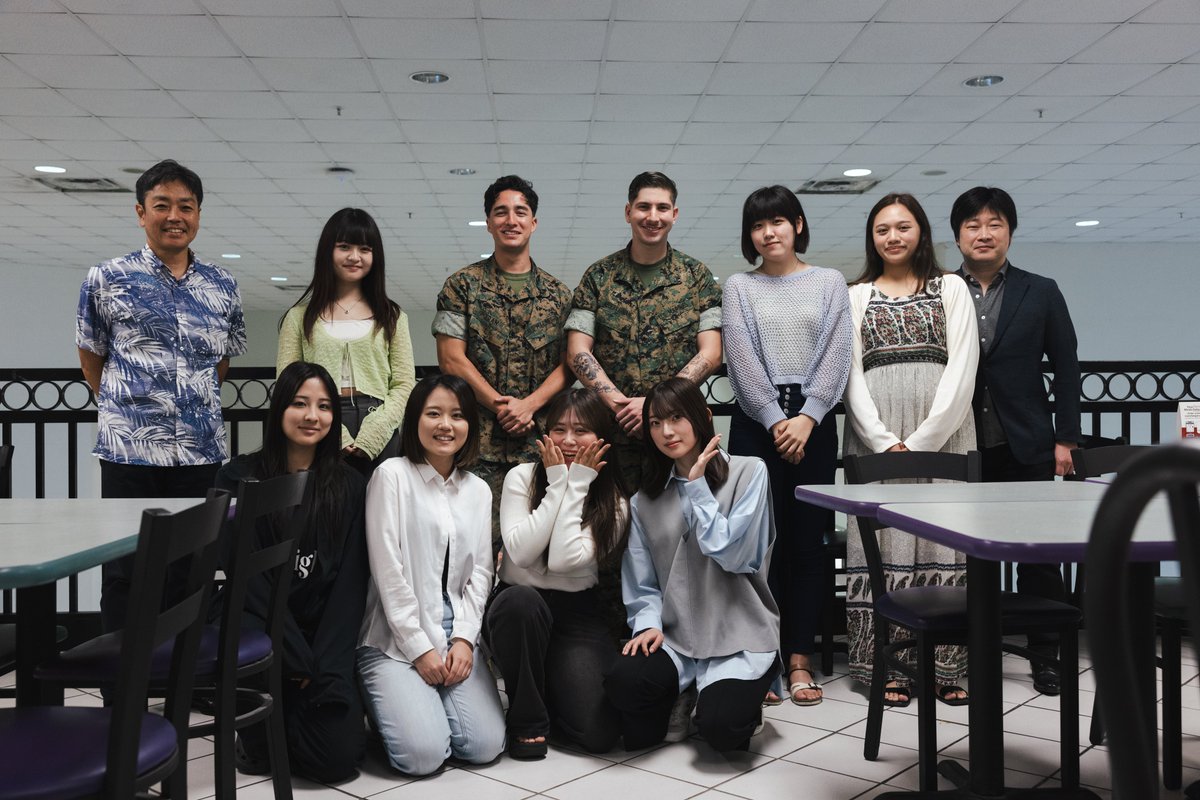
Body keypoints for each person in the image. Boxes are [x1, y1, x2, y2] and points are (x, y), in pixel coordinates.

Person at [76, 158, 246, 633]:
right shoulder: (106, 278)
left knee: (190, 569)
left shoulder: (222, 285)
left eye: (186, 207)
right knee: (126, 568)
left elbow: (223, 359)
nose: (175, 216)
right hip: (128, 450)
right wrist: (123, 403)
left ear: (198, 214)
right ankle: (122, 682)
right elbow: (92, 354)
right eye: (162, 205)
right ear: (140, 212)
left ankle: (179, 677)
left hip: (199, 451)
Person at [843, 193, 979, 707]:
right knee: (883, 547)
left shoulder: (951, 288)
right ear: (871, 238)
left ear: (920, 231)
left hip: (944, 434)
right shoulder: (856, 294)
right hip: (874, 434)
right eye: (882, 229)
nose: (893, 237)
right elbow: (850, 373)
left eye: (903, 227)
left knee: (944, 545)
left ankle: (948, 667)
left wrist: (921, 443)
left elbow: (963, 368)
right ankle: (889, 667)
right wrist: (883, 443)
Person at [722, 186, 853, 706]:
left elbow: (838, 352)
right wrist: (779, 420)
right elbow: (740, 357)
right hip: (756, 424)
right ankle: (762, 658)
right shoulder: (738, 286)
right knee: (757, 546)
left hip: (815, 423)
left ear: (798, 224)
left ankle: (800, 659)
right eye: (758, 225)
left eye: (778, 221)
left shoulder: (828, 282)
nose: (769, 232)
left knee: (808, 546)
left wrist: (808, 417)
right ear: (750, 235)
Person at [951, 186, 1081, 696]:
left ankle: (1044, 653)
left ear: (1010, 230)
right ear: (958, 235)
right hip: (959, 447)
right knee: (961, 553)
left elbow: (1067, 369)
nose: (984, 234)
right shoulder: (940, 290)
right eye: (973, 225)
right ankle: (964, 650)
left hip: (1025, 441)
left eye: (995, 224)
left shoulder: (1041, 290)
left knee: (1038, 555)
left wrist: (1065, 439)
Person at [604, 378, 779, 753]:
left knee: (723, 731)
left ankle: (741, 695)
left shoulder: (750, 473)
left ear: (704, 417)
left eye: (677, 417)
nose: (666, 431)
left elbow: (733, 555)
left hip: (739, 635)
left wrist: (698, 488)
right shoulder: (644, 501)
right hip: (676, 638)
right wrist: (648, 624)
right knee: (625, 687)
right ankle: (684, 690)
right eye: (654, 422)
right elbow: (642, 583)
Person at [215, 362, 368, 784]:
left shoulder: (350, 485)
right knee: (261, 756)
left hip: (322, 639)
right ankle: (268, 724)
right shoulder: (237, 478)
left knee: (337, 761)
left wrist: (321, 665)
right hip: (263, 635)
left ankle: (295, 718)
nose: (311, 416)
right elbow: (247, 582)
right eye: (299, 404)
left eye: (323, 406)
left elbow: (350, 586)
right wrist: (294, 658)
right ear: (279, 408)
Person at [357, 373, 506, 776]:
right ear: (415, 420)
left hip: (454, 631)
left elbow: (480, 574)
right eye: (433, 413)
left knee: (485, 746)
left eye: (457, 415)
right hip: (394, 636)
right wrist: (420, 648)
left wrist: (464, 640)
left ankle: (426, 707)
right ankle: (389, 703)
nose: (446, 425)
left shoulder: (476, 489)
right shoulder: (391, 476)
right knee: (421, 757)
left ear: (470, 426)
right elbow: (387, 571)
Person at [483, 388, 628, 759]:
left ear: (601, 439)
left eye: (581, 431)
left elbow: (564, 561)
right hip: (518, 608)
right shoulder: (522, 477)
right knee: (522, 602)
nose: (567, 440)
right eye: (558, 429)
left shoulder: (615, 502)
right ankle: (527, 721)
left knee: (598, 736)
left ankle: (549, 685)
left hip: (576, 612)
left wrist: (576, 483)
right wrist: (558, 483)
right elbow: (520, 552)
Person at [565, 171, 723, 493]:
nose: (653, 217)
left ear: (674, 215)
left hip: (678, 436)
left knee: (684, 529)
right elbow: (578, 351)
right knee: (613, 531)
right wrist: (621, 406)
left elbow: (712, 352)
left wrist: (654, 407)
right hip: (614, 435)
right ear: (628, 212)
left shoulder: (697, 277)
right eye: (643, 207)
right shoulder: (598, 277)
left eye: (662, 208)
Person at [434, 175, 573, 540]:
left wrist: (528, 406)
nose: (511, 220)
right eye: (501, 212)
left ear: (534, 222)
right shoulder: (460, 286)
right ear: (489, 222)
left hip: (539, 447)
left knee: (535, 548)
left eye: (520, 212)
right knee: (469, 545)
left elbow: (569, 363)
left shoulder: (560, 296)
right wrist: (503, 407)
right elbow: (451, 359)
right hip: (475, 447)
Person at [277, 208, 416, 478]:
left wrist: (374, 433)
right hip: (318, 421)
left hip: (380, 421)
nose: (355, 257)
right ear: (328, 251)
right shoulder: (298, 318)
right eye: (344, 247)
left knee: (380, 512)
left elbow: (404, 384)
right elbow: (287, 384)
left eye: (365, 249)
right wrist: (336, 434)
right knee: (324, 511)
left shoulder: (393, 316)